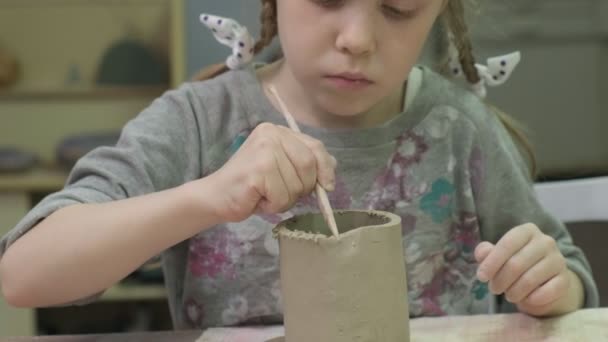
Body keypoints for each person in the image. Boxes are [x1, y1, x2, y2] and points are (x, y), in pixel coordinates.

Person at [0, 0, 598, 330]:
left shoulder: (461, 129)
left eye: (399, 7)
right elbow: (23, 276)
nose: (357, 37)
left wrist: (550, 285)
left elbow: (567, 277)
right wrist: (208, 196)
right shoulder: (197, 122)